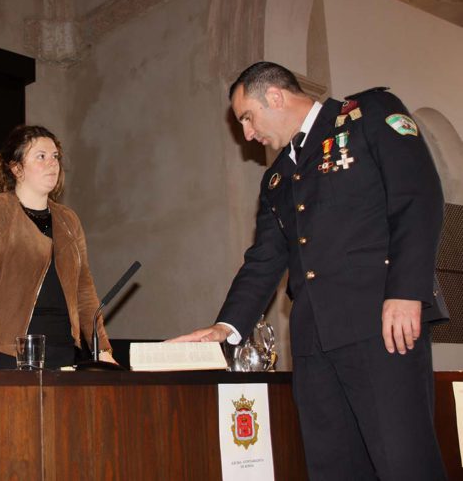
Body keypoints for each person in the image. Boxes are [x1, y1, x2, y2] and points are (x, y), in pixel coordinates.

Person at [171, 62, 447, 480]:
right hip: (314, 343)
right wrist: (225, 328)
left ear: (276, 97)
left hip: (380, 326)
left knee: (403, 464)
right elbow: (264, 260)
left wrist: (407, 291)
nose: (246, 134)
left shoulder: (367, 116)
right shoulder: (277, 179)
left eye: (247, 117)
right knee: (333, 467)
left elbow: (417, 196)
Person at [0, 125, 117, 370]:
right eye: (41, 156)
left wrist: (103, 349)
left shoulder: (68, 219)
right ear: (16, 167)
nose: (52, 163)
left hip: (61, 350)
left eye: (55, 157)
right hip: (4, 350)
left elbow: (85, 291)